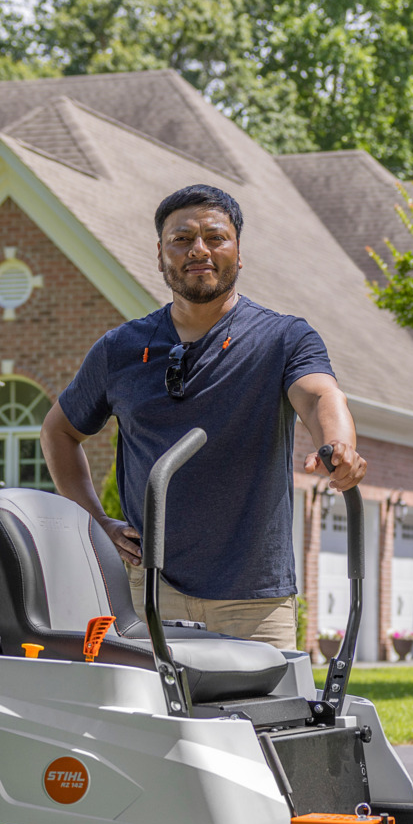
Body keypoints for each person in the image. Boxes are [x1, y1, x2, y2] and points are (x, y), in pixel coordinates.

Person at [40, 183, 367, 649]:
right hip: (148, 594)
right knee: (149, 721)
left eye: (215, 237)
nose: (199, 250)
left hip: (255, 603)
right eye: (182, 239)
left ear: (238, 250)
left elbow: (319, 396)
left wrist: (338, 446)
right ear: (159, 255)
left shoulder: (282, 338)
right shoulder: (120, 349)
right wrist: (97, 522)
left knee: (263, 723)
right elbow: (58, 431)